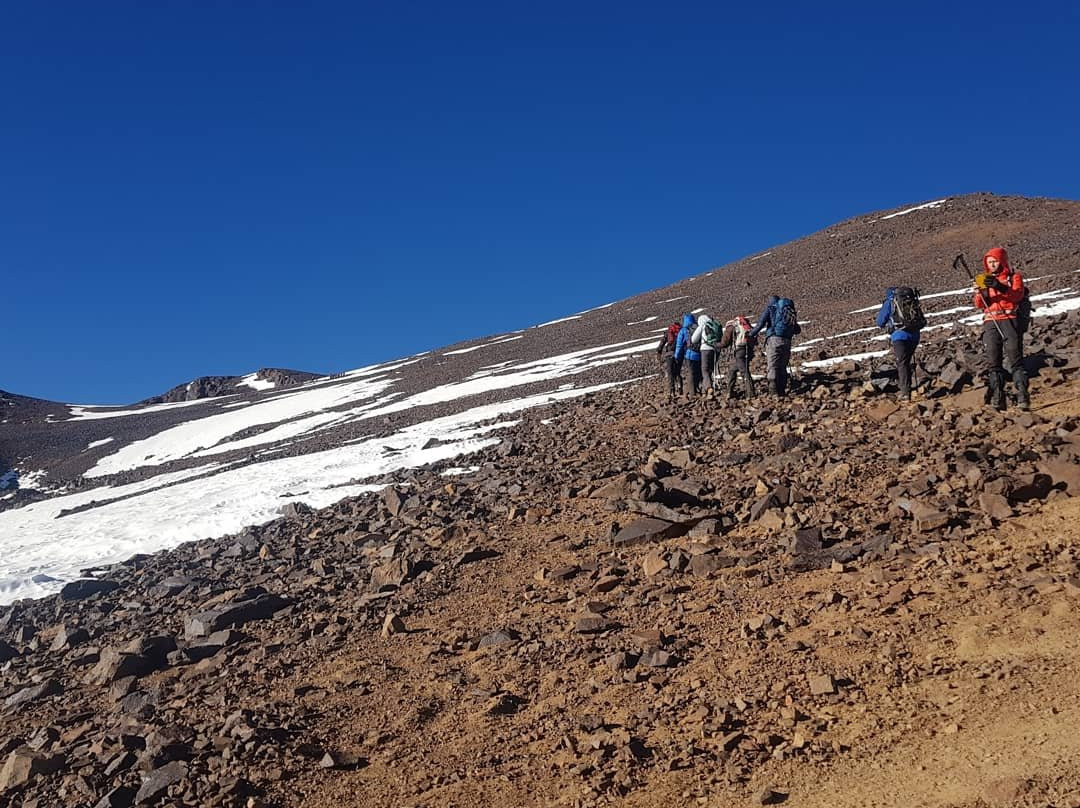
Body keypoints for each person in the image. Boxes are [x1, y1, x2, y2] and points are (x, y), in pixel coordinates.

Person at [975, 247, 1029, 411]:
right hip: (990, 321)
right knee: (993, 362)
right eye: (989, 262)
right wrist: (981, 293)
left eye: (995, 261)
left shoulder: (1014, 277)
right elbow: (978, 304)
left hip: (1009, 319)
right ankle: (998, 399)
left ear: (1002, 261)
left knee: (1015, 359)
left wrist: (1000, 286)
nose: (992, 264)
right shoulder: (984, 279)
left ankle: (1023, 398)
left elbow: (1017, 295)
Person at [875, 287, 923, 401]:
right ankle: (908, 387)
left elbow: (880, 321)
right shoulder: (911, 299)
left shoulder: (890, 302)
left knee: (902, 363)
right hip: (914, 335)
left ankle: (905, 393)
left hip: (899, 335)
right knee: (906, 362)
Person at [748, 295, 801, 397]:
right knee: (782, 365)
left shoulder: (771, 308)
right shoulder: (787, 310)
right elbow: (797, 329)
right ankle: (782, 391)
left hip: (773, 339)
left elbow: (760, 324)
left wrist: (750, 334)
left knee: (772, 365)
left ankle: (773, 391)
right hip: (787, 340)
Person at [717, 315, 756, 398]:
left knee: (744, 372)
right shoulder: (746, 325)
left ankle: (751, 394)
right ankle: (730, 392)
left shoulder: (731, 326)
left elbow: (725, 342)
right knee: (732, 369)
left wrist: (716, 345)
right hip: (748, 350)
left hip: (739, 351)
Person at [674, 313, 702, 396]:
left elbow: (679, 345)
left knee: (691, 373)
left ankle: (692, 392)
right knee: (698, 372)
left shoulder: (684, 330)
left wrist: (676, 356)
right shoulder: (698, 328)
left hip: (689, 354)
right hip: (700, 354)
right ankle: (699, 388)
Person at [691, 314, 720, 393]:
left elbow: (693, 339)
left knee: (704, 370)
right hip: (716, 349)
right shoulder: (715, 324)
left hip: (705, 349)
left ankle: (709, 387)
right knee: (710, 369)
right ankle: (705, 389)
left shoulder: (703, 325)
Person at [655, 320, 684, 400]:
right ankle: (680, 387)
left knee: (670, 373)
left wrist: (659, 351)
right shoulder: (681, 331)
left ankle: (672, 391)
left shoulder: (669, 332)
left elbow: (662, 342)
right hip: (679, 354)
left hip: (669, 354)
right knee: (678, 371)